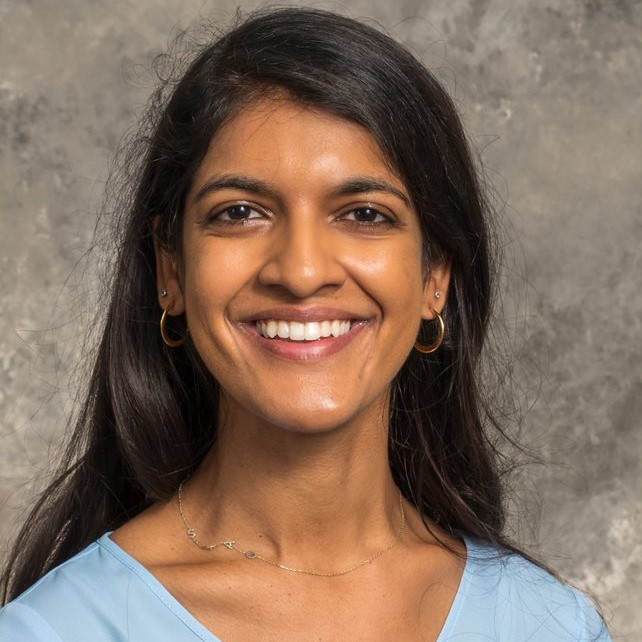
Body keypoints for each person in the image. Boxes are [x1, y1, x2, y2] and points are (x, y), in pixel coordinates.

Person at [0, 7, 610, 641]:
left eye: (365, 214)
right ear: (171, 268)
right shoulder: (54, 629)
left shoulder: (552, 626)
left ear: (435, 277)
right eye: (240, 212)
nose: (301, 270)